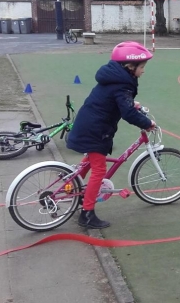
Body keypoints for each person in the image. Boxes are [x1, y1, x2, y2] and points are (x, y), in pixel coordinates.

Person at [67, 41, 156, 229]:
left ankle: (73, 187)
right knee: (99, 169)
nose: (144, 71)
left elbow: (118, 100)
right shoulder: (123, 84)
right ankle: (87, 214)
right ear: (130, 67)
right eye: (142, 67)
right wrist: (147, 123)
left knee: (91, 160)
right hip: (95, 130)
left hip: (89, 124)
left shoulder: (115, 78)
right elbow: (128, 113)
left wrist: (132, 103)